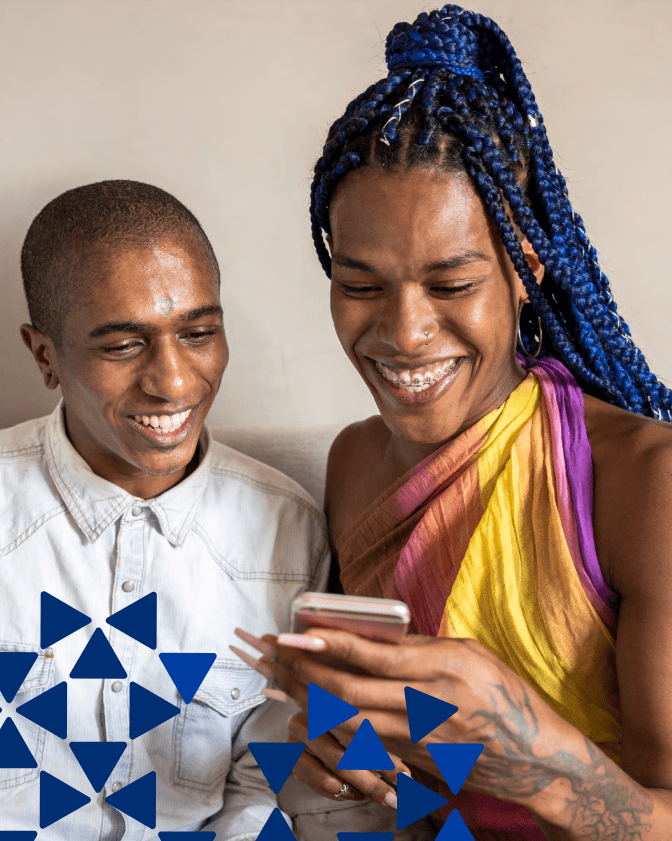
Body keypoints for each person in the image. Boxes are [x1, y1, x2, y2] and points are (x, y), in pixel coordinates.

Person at [235, 4, 672, 840]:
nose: (403, 333)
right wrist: (344, 752)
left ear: (523, 268)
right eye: (361, 285)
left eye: (451, 283)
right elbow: (405, 770)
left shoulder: (643, 483)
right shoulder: (355, 461)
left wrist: (538, 759)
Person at [0, 179, 331, 837]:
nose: (174, 381)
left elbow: (260, 777)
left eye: (199, 331)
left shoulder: (288, 529)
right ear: (46, 355)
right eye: (123, 345)